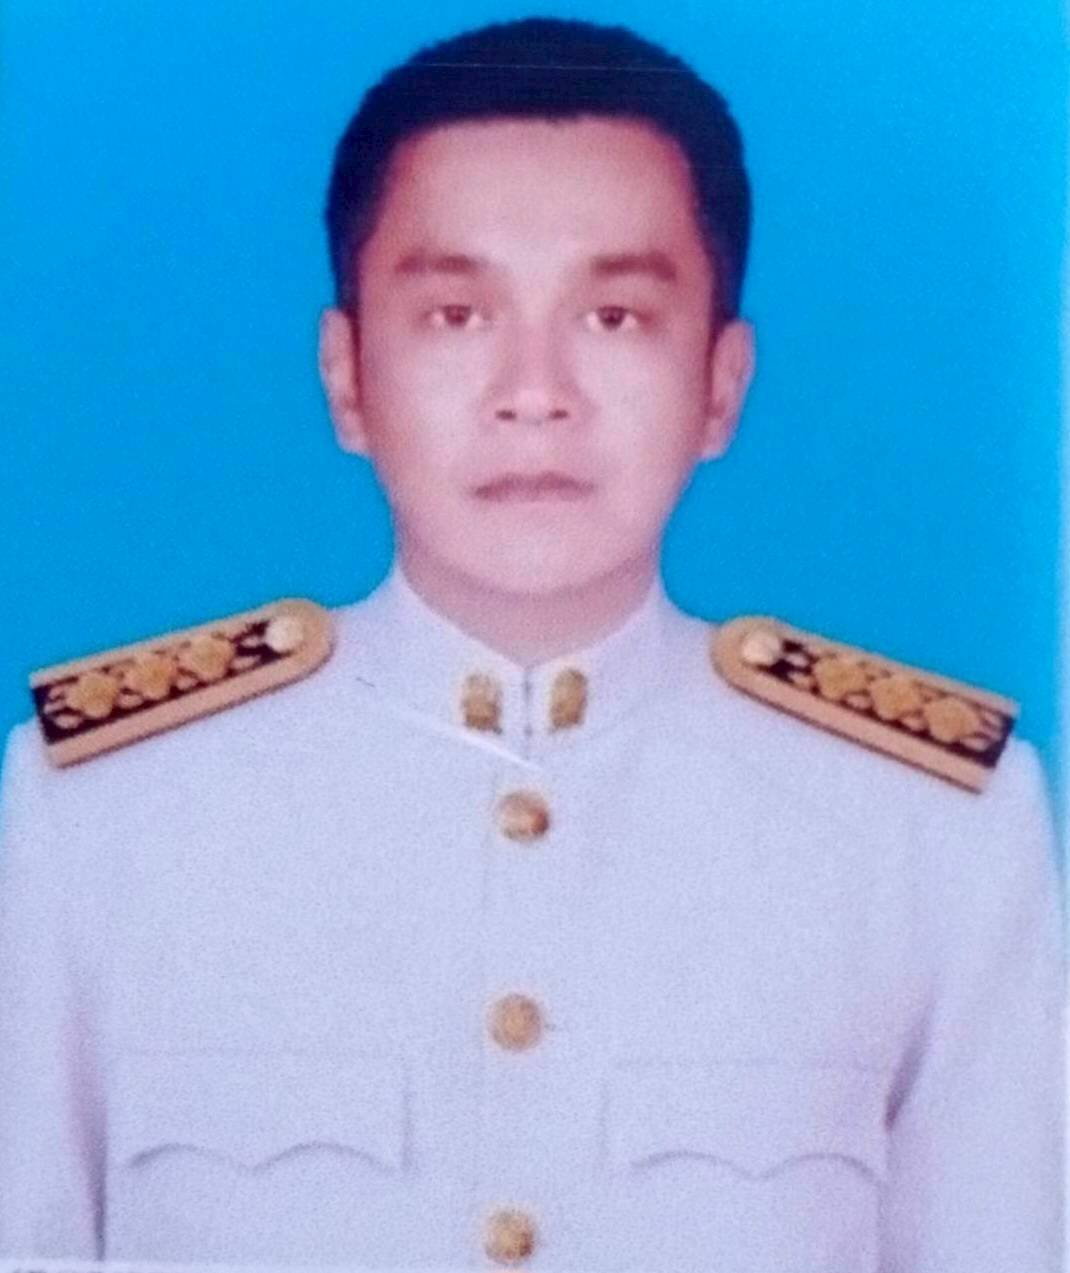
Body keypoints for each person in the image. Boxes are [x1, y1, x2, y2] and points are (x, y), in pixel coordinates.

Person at [0, 16, 1061, 1271]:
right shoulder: (99, 816)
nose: (534, 392)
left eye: (613, 317)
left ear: (720, 386)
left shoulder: (932, 835)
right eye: (456, 314)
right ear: (346, 377)